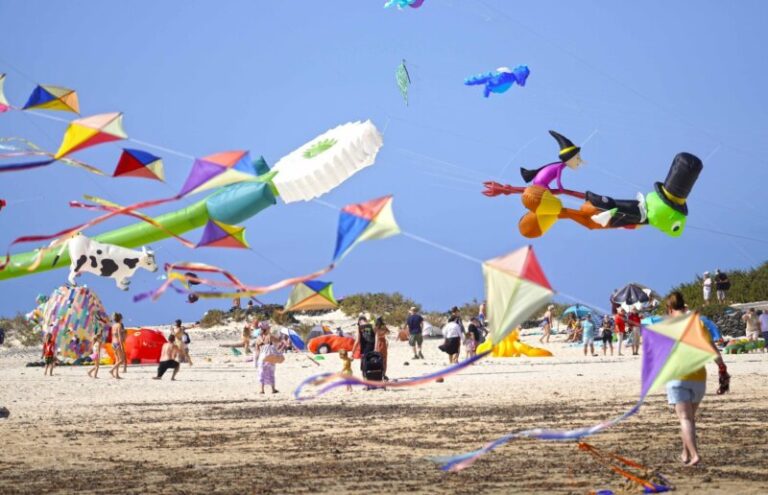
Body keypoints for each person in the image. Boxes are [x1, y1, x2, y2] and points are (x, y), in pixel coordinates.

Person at [664, 291, 729, 466]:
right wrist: (722, 368)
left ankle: (694, 455)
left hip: (677, 376)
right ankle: (685, 454)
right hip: (698, 377)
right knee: (689, 419)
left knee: (685, 419)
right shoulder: (698, 323)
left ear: (670, 309)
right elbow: (711, 349)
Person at [109, 313, 126, 379]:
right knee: (121, 360)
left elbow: (113, 335)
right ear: (120, 319)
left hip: (113, 343)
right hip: (117, 343)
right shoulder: (119, 325)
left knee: (117, 360)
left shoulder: (113, 325)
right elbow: (119, 336)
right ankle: (111, 370)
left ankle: (116, 375)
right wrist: (121, 345)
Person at [374, 316, 390, 381]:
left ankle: (379, 374)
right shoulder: (383, 327)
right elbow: (388, 332)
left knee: (378, 360)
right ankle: (383, 374)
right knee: (384, 359)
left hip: (378, 343)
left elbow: (375, 335)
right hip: (383, 343)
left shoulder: (376, 328)